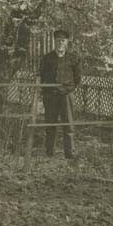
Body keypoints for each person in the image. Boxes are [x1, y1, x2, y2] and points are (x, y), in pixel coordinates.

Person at [39, 29, 81, 159]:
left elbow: (77, 78)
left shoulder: (73, 58)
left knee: (68, 124)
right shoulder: (47, 58)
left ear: (67, 42)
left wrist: (68, 89)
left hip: (66, 95)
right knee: (50, 124)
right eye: (58, 41)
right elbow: (41, 76)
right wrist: (46, 92)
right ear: (54, 42)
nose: (60, 43)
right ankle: (49, 152)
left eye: (62, 41)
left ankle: (70, 152)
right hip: (51, 96)